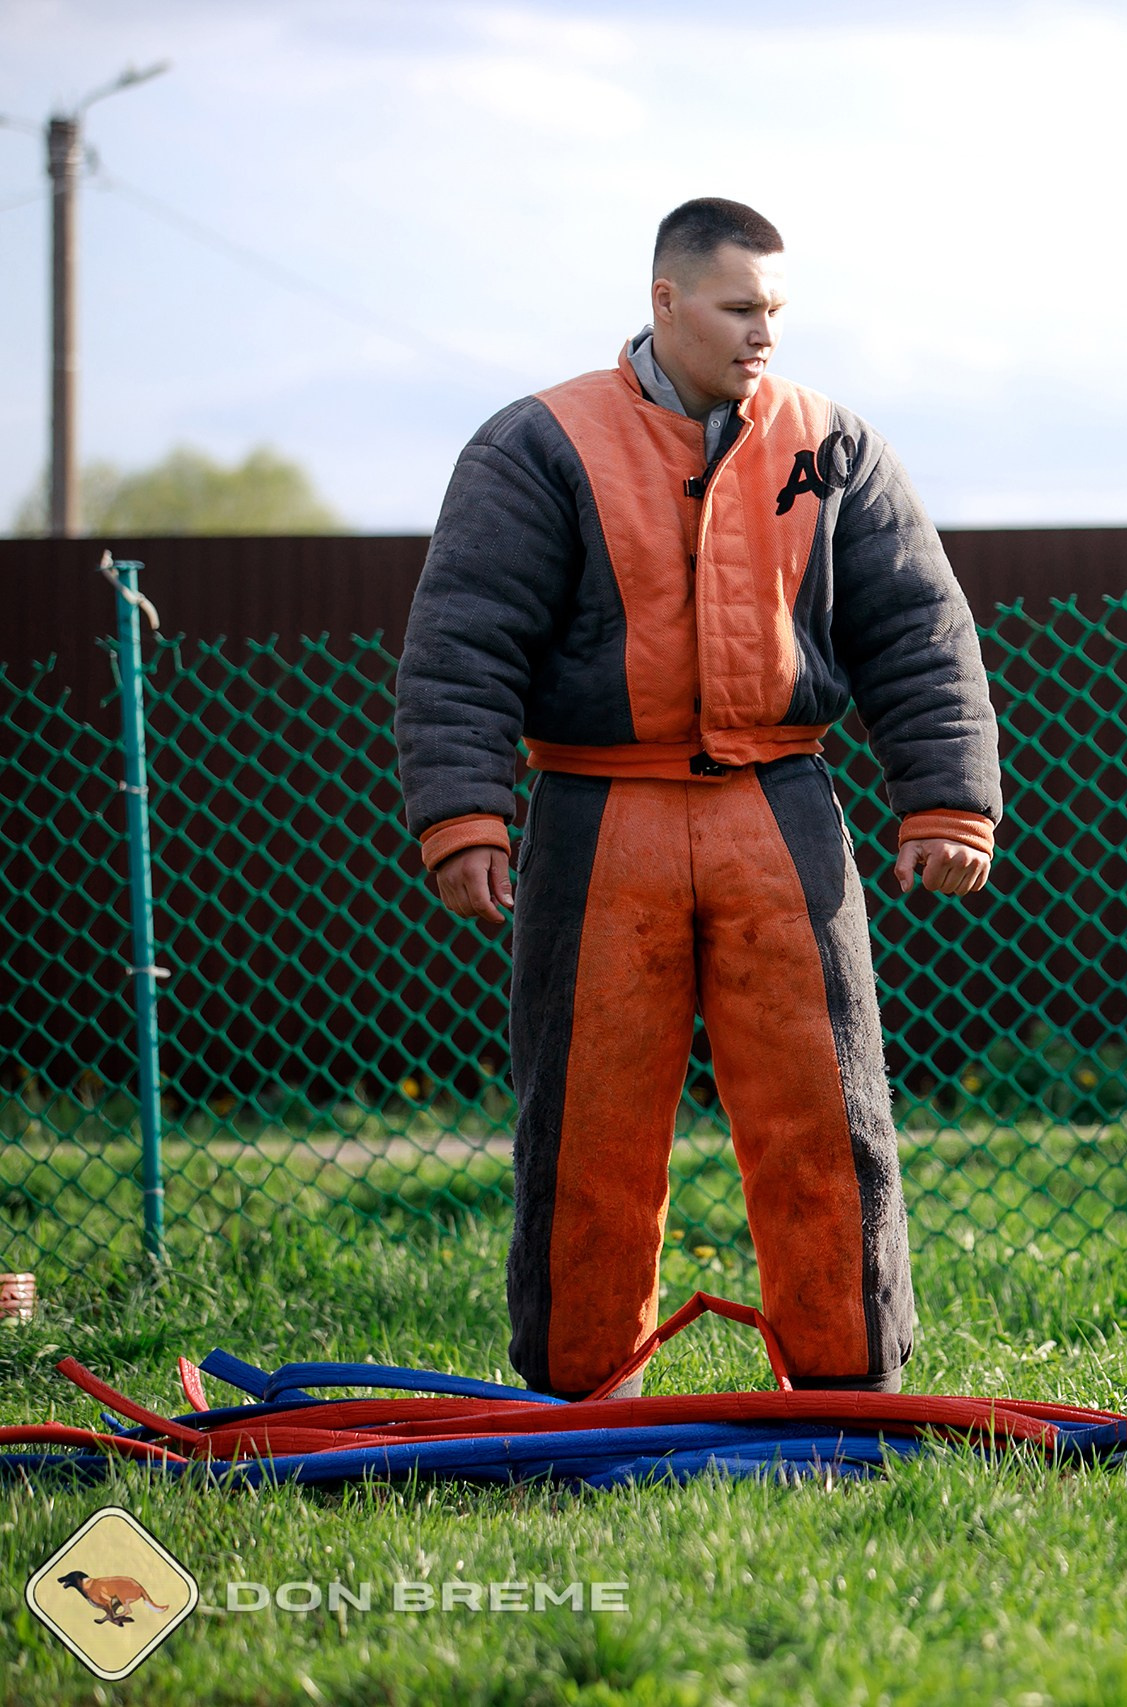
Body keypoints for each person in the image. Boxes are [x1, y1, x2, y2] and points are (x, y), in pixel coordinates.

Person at [396, 198, 1001, 1399]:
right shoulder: (537, 443)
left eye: (776, 308)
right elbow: (463, 641)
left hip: (781, 811)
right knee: (588, 1136)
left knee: (827, 1120)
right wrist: (462, 816)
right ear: (664, 302)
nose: (763, 332)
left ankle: (846, 1389)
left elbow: (920, 635)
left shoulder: (834, 443)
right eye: (738, 307)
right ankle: (582, 1401)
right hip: (592, 816)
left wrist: (948, 803)